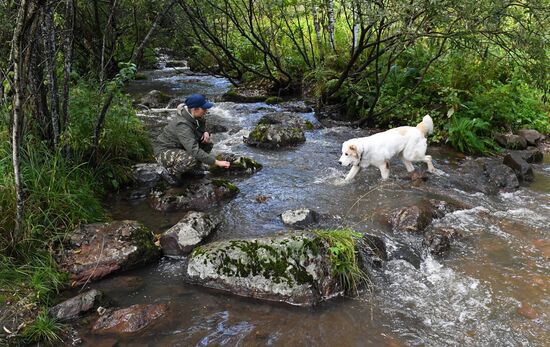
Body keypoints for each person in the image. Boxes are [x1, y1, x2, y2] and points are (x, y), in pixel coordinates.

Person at [155, 94, 230, 180]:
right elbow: (193, 150)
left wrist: (205, 132)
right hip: (163, 151)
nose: (206, 111)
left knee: (207, 143)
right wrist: (216, 162)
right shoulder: (182, 124)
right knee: (191, 159)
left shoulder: (195, 116)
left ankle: (193, 168)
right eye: (204, 108)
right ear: (195, 109)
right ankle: (170, 172)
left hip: (180, 147)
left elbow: (201, 126)